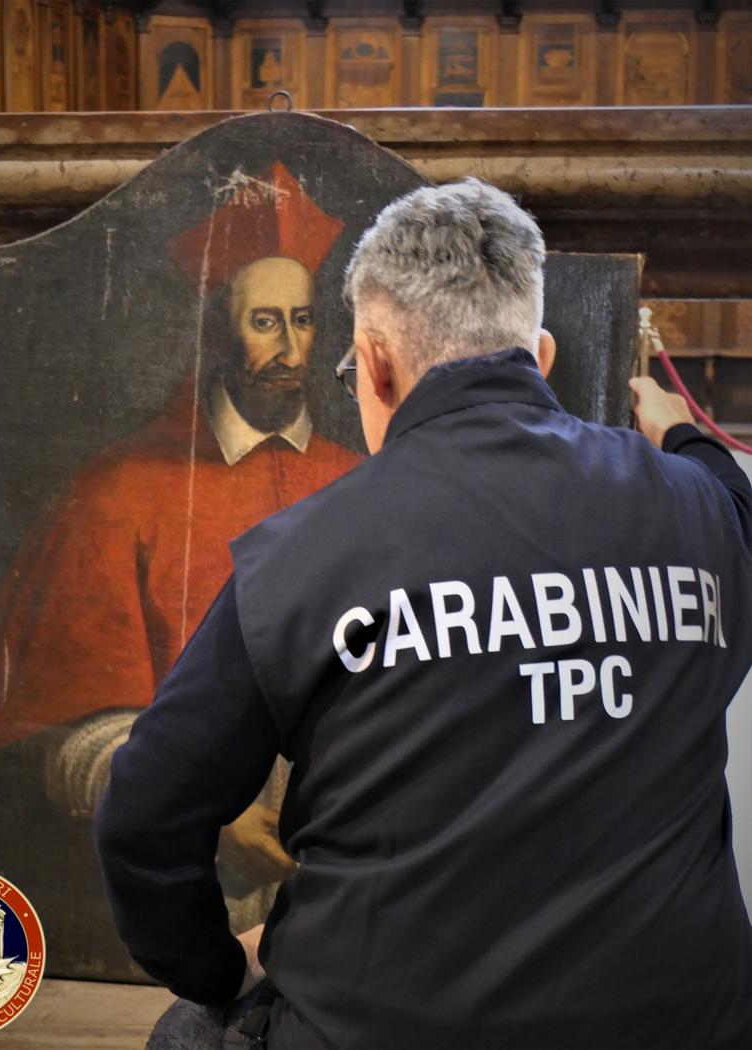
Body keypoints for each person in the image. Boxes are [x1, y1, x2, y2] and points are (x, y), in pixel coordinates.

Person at [95, 178, 752, 1050]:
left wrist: (220, 970)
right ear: (540, 356)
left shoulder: (302, 557)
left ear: (372, 361)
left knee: (187, 1030)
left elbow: (142, 816)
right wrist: (682, 433)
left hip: (387, 1025)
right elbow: (736, 506)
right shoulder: (697, 511)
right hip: (692, 1023)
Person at [0, 162, 360, 931]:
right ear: (217, 329)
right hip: (186, 905)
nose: (291, 348)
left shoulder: (360, 480)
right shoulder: (119, 490)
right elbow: (58, 732)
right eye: (265, 321)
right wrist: (198, 812)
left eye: (303, 320)